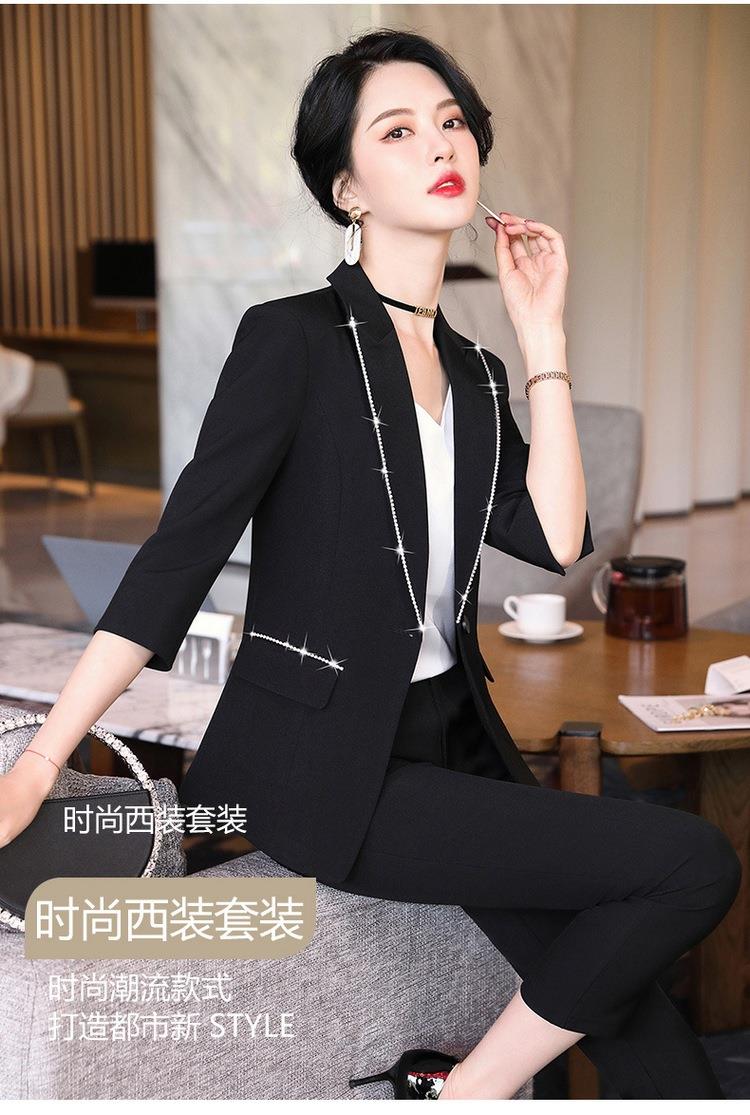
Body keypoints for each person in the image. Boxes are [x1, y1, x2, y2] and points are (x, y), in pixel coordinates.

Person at [0, 28, 741, 1101]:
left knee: (638, 1023)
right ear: (346, 188)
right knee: (692, 862)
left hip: (457, 739)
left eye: (451, 121)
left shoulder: (475, 370)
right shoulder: (292, 340)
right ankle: (465, 1092)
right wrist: (41, 759)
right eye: (397, 130)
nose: (441, 143)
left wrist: (542, 337)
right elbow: (177, 557)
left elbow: (555, 537)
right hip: (325, 764)